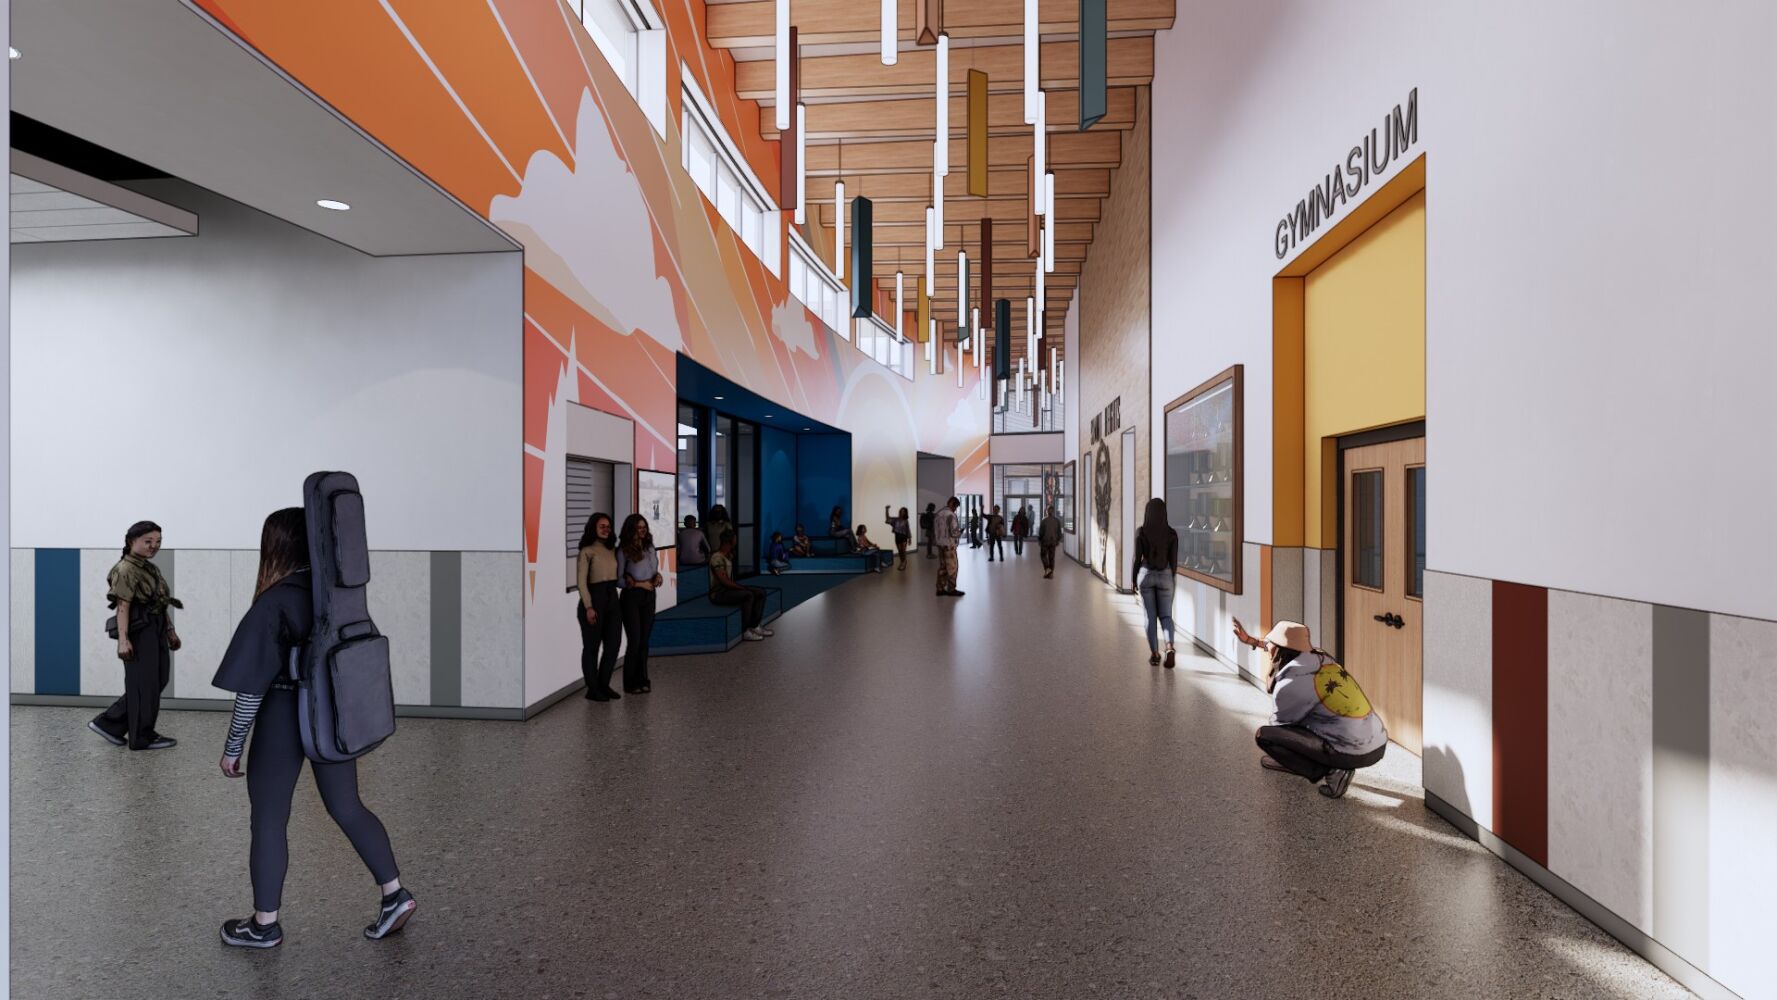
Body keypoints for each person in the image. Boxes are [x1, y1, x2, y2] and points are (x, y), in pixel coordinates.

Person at [212, 508, 412, 949]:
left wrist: (233, 747)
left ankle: (264, 924)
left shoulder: (275, 600)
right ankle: (394, 894)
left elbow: (250, 689)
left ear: (276, 546)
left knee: (269, 817)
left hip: (284, 711)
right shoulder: (337, 593)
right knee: (347, 806)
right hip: (331, 712)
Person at [1233, 619, 1387, 799]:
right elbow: (1275, 647)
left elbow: (1281, 727)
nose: (1267, 648)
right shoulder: (1322, 658)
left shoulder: (1291, 683)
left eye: (1270, 644)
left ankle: (1332, 771)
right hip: (1376, 744)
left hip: (1351, 752)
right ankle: (1313, 763)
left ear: (1279, 650)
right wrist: (1252, 641)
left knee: (1266, 736)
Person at [88, 520, 184, 751]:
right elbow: (123, 605)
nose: (154, 546)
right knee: (144, 684)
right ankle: (141, 736)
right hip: (139, 629)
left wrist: (170, 629)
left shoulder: (148, 567)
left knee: (157, 680)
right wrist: (123, 639)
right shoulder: (126, 569)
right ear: (132, 541)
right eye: (148, 541)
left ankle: (109, 724)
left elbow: (160, 603)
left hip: (155, 626)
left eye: (158, 542)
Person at [575, 512, 623, 702]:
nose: (606, 529)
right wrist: (588, 607)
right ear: (593, 528)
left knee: (613, 645)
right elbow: (581, 583)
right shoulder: (586, 551)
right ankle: (592, 689)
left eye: (608, 526)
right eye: (601, 526)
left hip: (612, 598)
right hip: (594, 600)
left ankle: (603, 684)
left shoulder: (612, 550)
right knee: (592, 647)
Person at [616, 514, 662, 694]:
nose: (642, 530)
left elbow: (653, 569)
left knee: (644, 641)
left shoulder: (650, 547)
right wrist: (638, 583)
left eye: (644, 527)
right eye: (638, 527)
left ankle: (643, 679)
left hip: (649, 596)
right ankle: (630, 682)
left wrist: (657, 576)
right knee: (634, 641)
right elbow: (618, 580)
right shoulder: (623, 551)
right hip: (632, 597)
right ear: (631, 529)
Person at [1132, 498, 1180, 668]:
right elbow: (1173, 562)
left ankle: (1155, 654)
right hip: (1166, 574)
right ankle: (1169, 647)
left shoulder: (1141, 532)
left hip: (1145, 574)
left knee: (1149, 617)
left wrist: (1133, 580)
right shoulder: (1172, 533)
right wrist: (1170, 578)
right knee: (1166, 616)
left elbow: (1137, 559)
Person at [709, 531, 773, 641]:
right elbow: (724, 581)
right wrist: (742, 588)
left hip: (728, 590)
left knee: (760, 592)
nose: (736, 541)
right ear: (729, 541)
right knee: (748, 595)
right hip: (718, 593)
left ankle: (755, 625)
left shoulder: (728, 555)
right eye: (735, 539)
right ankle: (745, 631)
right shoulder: (716, 558)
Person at [934, 496, 964, 597]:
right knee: (953, 568)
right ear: (952, 504)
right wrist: (960, 532)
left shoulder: (938, 514)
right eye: (955, 506)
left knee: (942, 567)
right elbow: (954, 532)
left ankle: (940, 588)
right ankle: (951, 589)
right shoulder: (951, 515)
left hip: (940, 545)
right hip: (949, 545)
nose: (955, 509)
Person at [1037, 506, 1064, 578]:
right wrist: (1058, 540)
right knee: (1051, 558)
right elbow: (1059, 533)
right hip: (1053, 542)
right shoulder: (1057, 520)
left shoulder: (1044, 520)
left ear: (1047, 511)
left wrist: (1039, 540)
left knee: (1043, 555)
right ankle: (1051, 573)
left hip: (1045, 541)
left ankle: (1047, 569)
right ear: (1053, 511)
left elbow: (1041, 532)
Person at [885, 505, 912, 570]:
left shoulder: (906, 520)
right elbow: (888, 518)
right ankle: (902, 561)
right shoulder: (895, 519)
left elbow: (908, 529)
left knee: (903, 550)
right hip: (897, 536)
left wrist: (910, 538)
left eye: (903, 511)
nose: (902, 512)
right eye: (901, 511)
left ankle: (903, 563)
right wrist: (887, 509)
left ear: (905, 513)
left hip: (904, 537)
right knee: (900, 551)